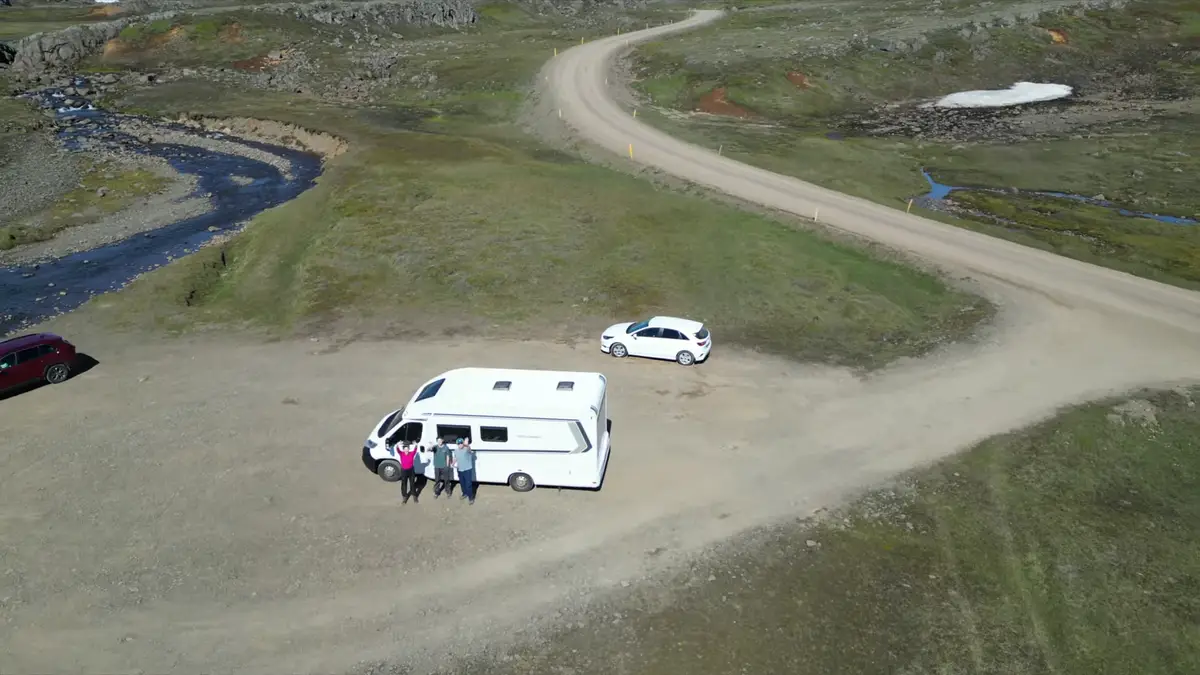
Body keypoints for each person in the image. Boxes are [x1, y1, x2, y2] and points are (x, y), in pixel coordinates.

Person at [453, 437, 477, 505]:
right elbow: (455, 457)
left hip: (467, 469)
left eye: (461, 443)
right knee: (462, 483)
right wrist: (453, 463)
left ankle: (471, 498)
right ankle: (464, 493)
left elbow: (469, 449)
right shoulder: (456, 450)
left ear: (463, 444)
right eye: (459, 444)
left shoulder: (466, 449)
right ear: (457, 444)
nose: (460, 445)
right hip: (460, 469)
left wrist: (467, 444)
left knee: (468, 484)